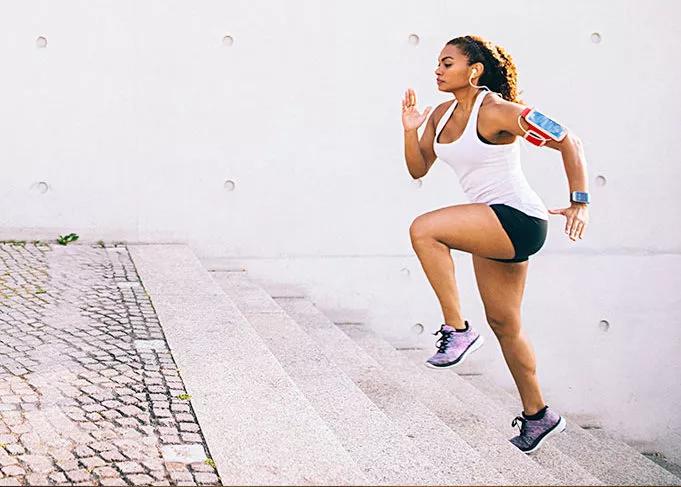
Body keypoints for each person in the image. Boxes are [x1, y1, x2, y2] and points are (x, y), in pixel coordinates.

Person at [401, 34, 590, 454]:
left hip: (519, 218)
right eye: (437, 63)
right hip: (489, 224)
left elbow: (568, 140)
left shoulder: (498, 111)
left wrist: (580, 202)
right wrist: (410, 131)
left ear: (475, 70)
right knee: (506, 326)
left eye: (447, 63)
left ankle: (458, 330)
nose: (437, 70)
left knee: (424, 229)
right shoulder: (439, 116)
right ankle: (539, 415)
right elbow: (418, 168)